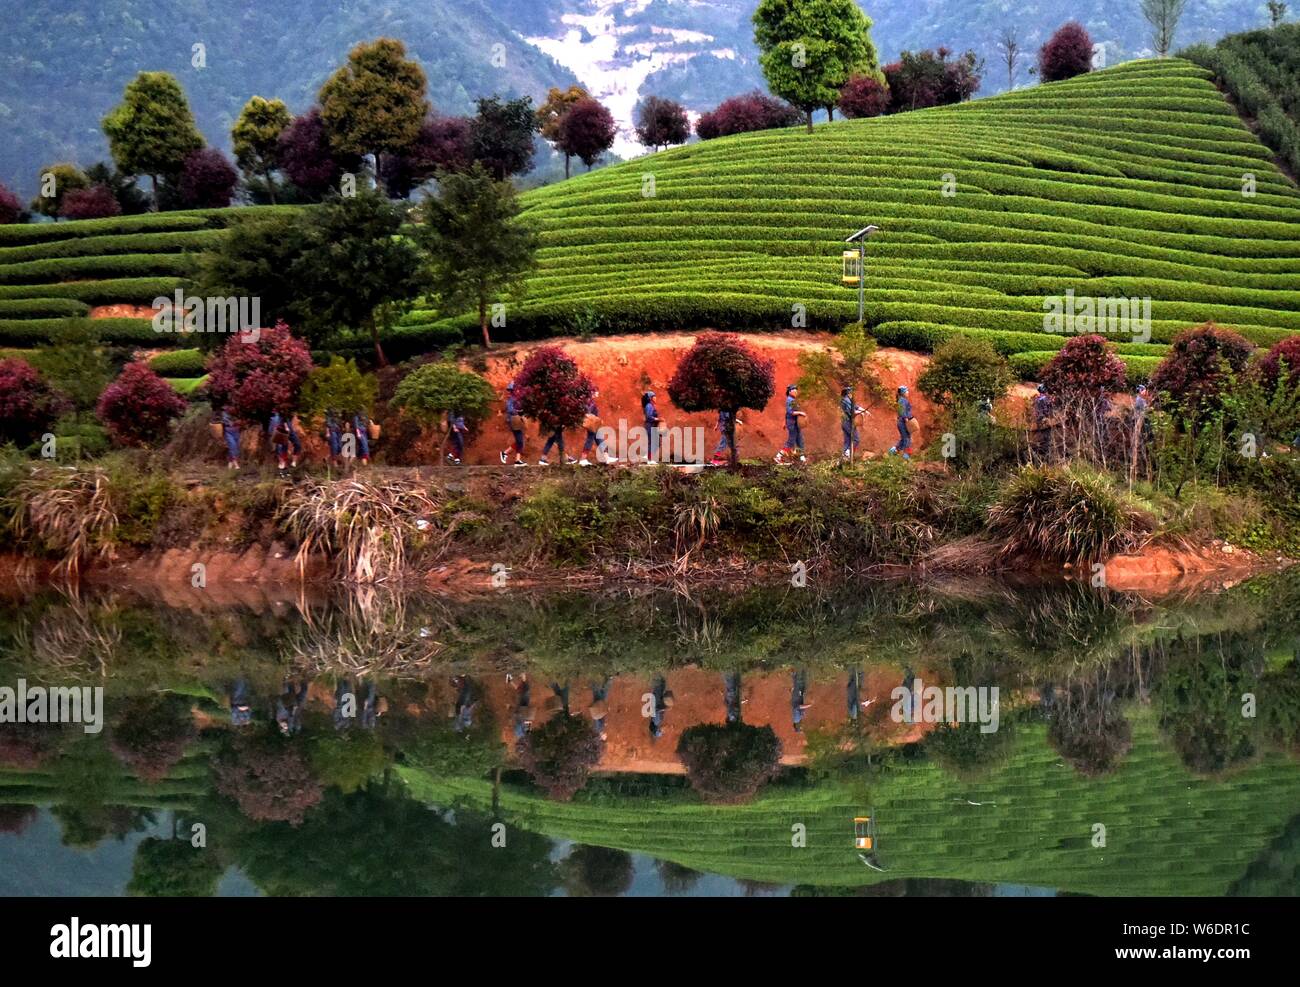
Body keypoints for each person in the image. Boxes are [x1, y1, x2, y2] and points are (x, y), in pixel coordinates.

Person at [775, 384, 807, 465]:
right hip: (792, 423)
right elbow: (790, 412)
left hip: (795, 423)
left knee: (800, 440)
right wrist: (800, 413)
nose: (796, 391)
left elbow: (787, 413)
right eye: (794, 390)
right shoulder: (789, 400)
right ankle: (779, 456)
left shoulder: (793, 400)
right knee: (791, 441)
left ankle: (802, 458)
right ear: (789, 392)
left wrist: (784, 422)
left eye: (796, 390)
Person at [499, 382, 528, 467]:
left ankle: (517, 460)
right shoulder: (511, 399)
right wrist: (518, 412)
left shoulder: (515, 398)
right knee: (520, 441)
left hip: (517, 420)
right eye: (512, 390)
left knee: (520, 441)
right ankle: (505, 453)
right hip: (513, 420)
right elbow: (510, 410)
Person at [580, 390, 611, 466]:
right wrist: (597, 419)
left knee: (600, 439)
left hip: (594, 424)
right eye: (596, 392)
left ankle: (607, 458)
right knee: (590, 440)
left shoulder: (591, 401)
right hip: (592, 424)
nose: (598, 393)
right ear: (592, 393)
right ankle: (583, 459)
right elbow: (588, 413)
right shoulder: (590, 402)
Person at [887, 385, 915, 460]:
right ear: (903, 393)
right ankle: (906, 456)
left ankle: (892, 452)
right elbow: (901, 411)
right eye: (906, 391)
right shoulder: (902, 400)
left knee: (904, 438)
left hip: (902, 421)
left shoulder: (902, 400)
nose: (908, 392)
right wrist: (906, 419)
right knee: (906, 438)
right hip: (903, 422)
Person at [840, 386, 867, 461]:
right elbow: (851, 412)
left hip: (844, 423)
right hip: (848, 422)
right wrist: (860, 413)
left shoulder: (845, 399)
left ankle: (843, 458)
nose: (852, 394)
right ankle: (848, 454)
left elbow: (855, 407)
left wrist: (863, 410)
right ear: (848, 393)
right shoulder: (846, 400)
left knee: (847, 441)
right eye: (851, 392)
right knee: (856, 439)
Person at [642, 390, 664, 464]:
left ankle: (648, 457)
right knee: (654, 442)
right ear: (650, 398)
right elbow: (648, 417)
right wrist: (657, 419)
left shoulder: (650, 406)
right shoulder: (649, 406)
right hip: (650, 426)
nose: (655, 398)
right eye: (654, 396)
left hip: (652, 426)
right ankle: (649, 458)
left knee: (654, 442)